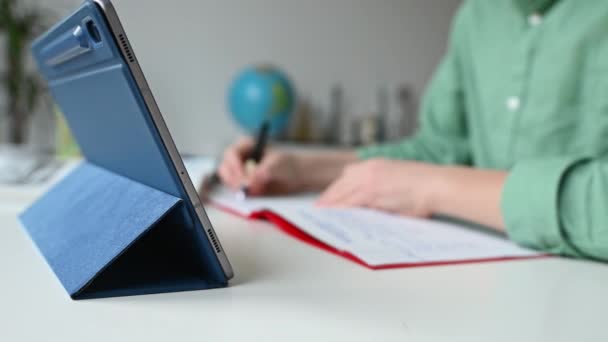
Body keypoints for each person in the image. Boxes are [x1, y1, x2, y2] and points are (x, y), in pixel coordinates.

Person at [218, 0, 608, 261]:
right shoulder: (478, 15)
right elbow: (441, 149)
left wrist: (436, 187)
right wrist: (302, 170)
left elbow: (432, 176)